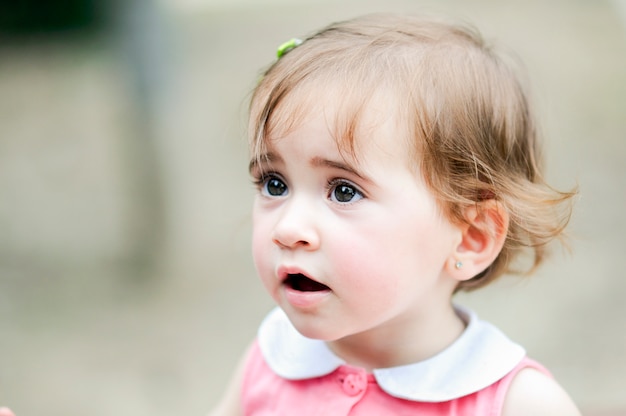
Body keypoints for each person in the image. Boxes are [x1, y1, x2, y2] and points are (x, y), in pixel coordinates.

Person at [210, 13, 580, 415]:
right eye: (274, 184)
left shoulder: (516, 403)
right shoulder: (274, 357)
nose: (287, 228)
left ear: (470, 236)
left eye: (344, 191)